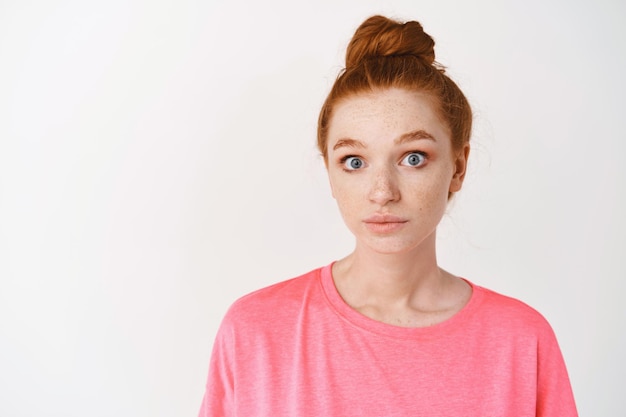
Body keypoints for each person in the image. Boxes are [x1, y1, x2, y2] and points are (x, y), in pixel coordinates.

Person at [198, 15, 578, 416]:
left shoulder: (521, 341)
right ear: (328, 170)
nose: (382, 192)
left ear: (458, 167)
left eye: (413, 158)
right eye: (354, 161)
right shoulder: (255, 332)